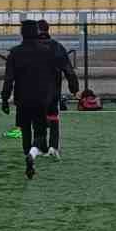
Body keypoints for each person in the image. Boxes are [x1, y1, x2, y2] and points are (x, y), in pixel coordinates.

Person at [1, 18, 59, 179]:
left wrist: (5, 100)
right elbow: (54, 76)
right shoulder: (47, 51)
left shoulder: (14, 53)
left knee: (25, 130)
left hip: (22, 98)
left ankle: (28, 155)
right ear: (37, 32)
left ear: (22, 33)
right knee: (40, 133)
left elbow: (8, 79)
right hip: (41, 99)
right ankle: (32, 155)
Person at [37, 19, 80, 159]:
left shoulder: (30, 47)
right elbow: (68, 70)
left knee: (37, 118)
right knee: (53, 116)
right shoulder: (57, 47)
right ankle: (53, 147)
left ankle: (39, 146)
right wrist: (74, 88)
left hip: (34, 89)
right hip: (53, 88)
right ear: (48, 29)